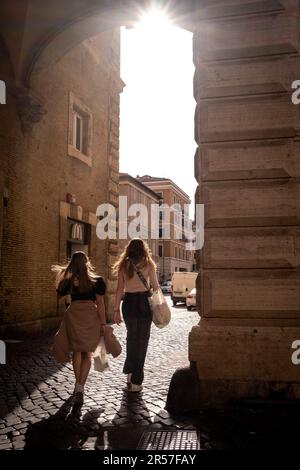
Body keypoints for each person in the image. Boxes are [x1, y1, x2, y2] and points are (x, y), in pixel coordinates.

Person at [51, 251, 106, 404]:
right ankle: (80, 386)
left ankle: (77, 385)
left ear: (72, 264)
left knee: (77, 350)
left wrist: (66, 280)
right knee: (87, 353)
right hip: (90, 316)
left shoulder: (69, 281)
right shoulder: (97, 281)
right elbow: (100, 304)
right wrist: (103, 324)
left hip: (74, 315)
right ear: (86, 262)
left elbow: (58, 295)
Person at [113, 238, 160, 392]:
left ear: (129, 249)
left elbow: (119, 289)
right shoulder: (149, 263)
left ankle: (130, 372)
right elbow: (156, 287)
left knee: (131, 338)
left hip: (128, 303)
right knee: (142, 341)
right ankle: (136, 382)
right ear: (144, 249)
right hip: (144, 303)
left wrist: (115, 311)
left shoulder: (123, 265)